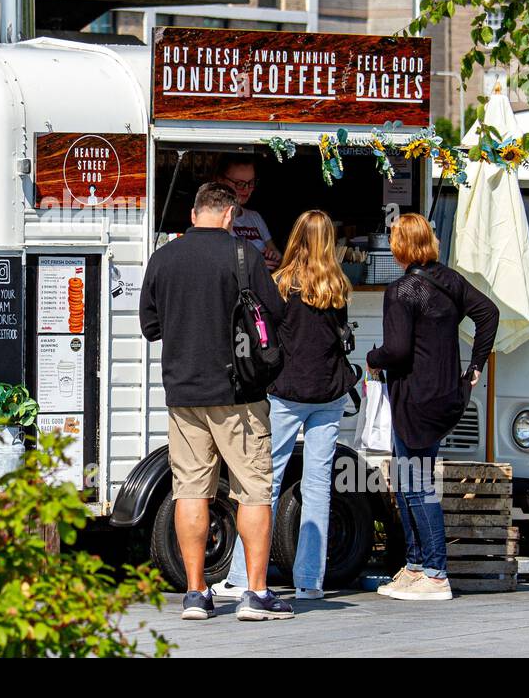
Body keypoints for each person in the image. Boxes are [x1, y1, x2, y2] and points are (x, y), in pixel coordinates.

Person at [139, 182, 294, 622]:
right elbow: (276, 315)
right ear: (230, 217)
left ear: (193, 215)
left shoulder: (163, 258)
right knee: (253, 490)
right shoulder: (242, 256)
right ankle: (257, 594)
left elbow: (150, 326)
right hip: (239, 394)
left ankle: (194, 594)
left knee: (191, 490)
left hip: (183, 394)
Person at [213, 210, 357, 602]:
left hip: (287, 392)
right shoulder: (338, 286)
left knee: (264, 485)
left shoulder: (280, 283)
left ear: (295, 238)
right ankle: (310, 581)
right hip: (329, 394)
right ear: (329, 241)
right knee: (317, 487)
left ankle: (243, 576)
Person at [366, 213, 499, 601]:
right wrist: (474, 367)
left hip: (415, 399)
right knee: (409, 483)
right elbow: (488, 313)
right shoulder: (450, 280)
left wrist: (373, 358)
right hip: (445, 397)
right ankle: (415, 565)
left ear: (400, 246)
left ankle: (436, 573)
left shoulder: (401, 291)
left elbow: (397, 350)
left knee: (417, 486)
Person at [216, 155, 281, 271]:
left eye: (251, 182)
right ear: (221, 180)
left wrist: (274, 255)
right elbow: (215, 260)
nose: (247, 189)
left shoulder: (254, 216)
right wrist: (255, 266)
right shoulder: (212, 218)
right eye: (239, 184)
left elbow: (275, 251)